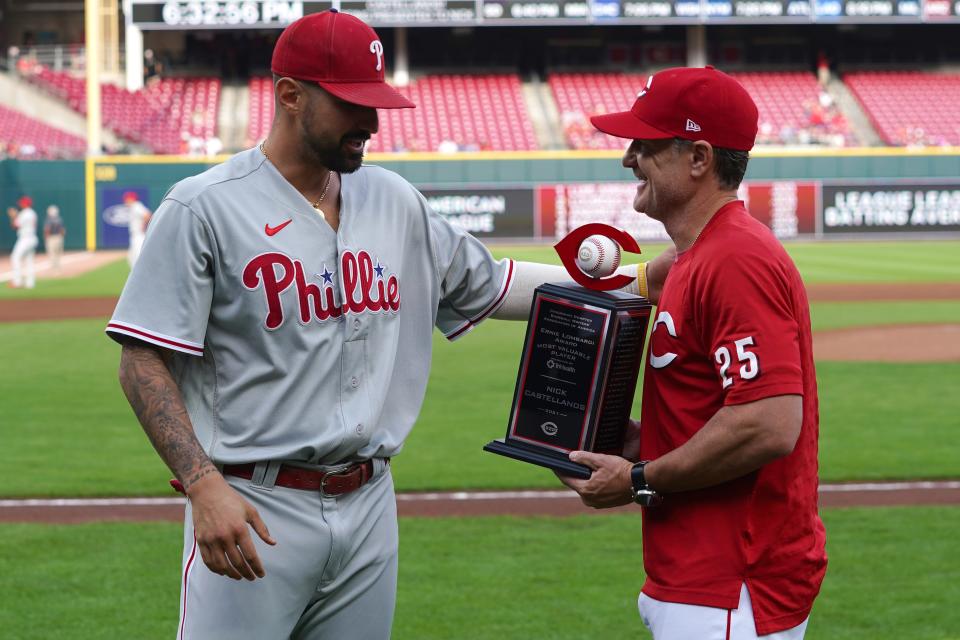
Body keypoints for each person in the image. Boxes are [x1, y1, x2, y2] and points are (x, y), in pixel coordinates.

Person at [106, 10, 673, 640]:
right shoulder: (203, 207)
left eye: (376, 102)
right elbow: (140, 359)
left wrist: (639, 284)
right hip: (251, 504)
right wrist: (200, 482)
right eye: (352, 103)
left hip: (370, 500)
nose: (372, 122)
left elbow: (491, 282)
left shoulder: (393, 199)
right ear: (290, 95)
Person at [557, 66, 827, 640]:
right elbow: (713, 411)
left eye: (646, 144)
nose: (629, 158)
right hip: (701, 578)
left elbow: (769, 424)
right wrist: (634, 442)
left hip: (733, 584)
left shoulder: (735, 260)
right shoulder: (693, 257)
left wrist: (638, 477)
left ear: (699, 157)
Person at [7, 195, 38, 288]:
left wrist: (13, 216)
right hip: (32, 238)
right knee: (29, 261)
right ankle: (30, 284)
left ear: (25, 204)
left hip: (25, 238)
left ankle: (17, 281)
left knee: (15, 257)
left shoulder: (25, 213)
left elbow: (15, 226)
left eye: (21, 203)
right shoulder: (32, 213)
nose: (20, 204)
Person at [121, 191, 151, 267]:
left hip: (139, 236)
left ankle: (142, 275)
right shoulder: (134, 207)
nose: (125, 201)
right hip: (136, 236)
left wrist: (143, 226)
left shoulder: (136, 206)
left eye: (127, 199)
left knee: (138, 257)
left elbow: (147, 215)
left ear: (131, 199)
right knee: (131, 258)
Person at [43, 204, 65, 273]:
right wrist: (61, 237)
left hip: (51, 238)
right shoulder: (59, 219)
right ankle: (58, 268)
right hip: (59, 237)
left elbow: (47, 229)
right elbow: (63, 230)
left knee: (52, 253)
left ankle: (54, 269)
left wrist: (46, 237)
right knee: (58, 253)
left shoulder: (49, 220)